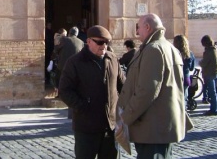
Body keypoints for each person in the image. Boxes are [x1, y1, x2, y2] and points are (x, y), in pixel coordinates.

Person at [118, 13, 191, 159]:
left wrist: (125, 117)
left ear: (147, 27)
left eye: (138, 28)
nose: (137, 32)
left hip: (153, 127)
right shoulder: (169, 48)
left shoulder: (153, 50)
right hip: (161, 125)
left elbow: (146, 91)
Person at [59, 25, 125, 159]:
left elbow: (123, 86)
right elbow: (64, 91)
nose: (104, 46)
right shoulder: (75, 62)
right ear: (89, 42)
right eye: (100, 42)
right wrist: (83, 106)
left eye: (106, 43)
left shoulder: (112, 59)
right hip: (86, 127)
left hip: (110, 127)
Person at [55, 27, 84, 94]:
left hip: (63, 65)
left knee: (58, 77)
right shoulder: (81, 42)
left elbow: (56, 50)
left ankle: (60, 93)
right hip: (76, 67)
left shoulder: (64, 39)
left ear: (69, 33)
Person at [199, 35, 217, 116]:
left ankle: (214, 109)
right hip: (216, 72)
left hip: (210, 73)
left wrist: (200, 62)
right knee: (214, 92)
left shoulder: (209, 51)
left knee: (212, 93)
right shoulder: (216, 48)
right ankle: (216, 108)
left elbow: (204, 63)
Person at [173, 35, 195, 104]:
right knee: (184, 99)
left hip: (176, 78)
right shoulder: (190, 54)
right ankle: (184, 113)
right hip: (186, 78)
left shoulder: (175, 53)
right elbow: (191, 68)